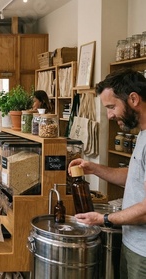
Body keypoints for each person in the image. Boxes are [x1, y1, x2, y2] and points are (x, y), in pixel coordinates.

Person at [68, 68, 146, 279]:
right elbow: (135, 177)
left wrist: (104, 218)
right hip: (132, 242)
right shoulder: (142, 134)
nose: (109, 115)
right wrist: (93, 168)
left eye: (112, 107)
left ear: (133, 99)